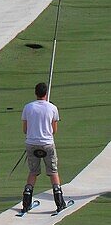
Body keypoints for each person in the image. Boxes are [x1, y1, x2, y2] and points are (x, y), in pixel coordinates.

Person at [21, 81, 67, 213]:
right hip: (47, 143)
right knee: (53, 172)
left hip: (31, 144)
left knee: (33, 172)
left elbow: (25, 129)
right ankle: (59, 202)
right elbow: (54, 130)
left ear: (36, 93)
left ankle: (26, 202)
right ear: (46, 93)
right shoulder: (52, 108)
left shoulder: (28, 107)